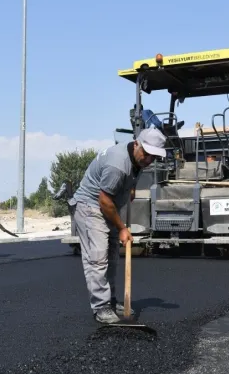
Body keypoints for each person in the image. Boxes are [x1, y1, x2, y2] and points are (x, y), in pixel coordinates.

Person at [70, 127, 168, 324]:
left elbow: (126, 183)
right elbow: (103, 200)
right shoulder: (118, 164)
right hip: (90, 206)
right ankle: (101, 307)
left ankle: (112, 302)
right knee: (97, 258)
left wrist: (130, 190)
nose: (149, 161)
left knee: (112, 255)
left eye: (154, 158)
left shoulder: (137, 159)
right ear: (137, 144)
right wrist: (122, 228)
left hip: (109, 205)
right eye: (147, 155)